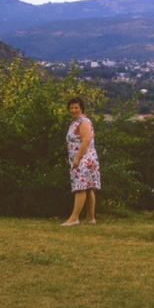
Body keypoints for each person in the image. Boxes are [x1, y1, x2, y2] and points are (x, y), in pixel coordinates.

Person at [61, 96, 101, 226]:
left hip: (85, 158)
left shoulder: (83, 122)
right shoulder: (75, 122)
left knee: (80, 187)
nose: (73, 110)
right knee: (88, 188)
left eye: (76, 108)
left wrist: (77, 159)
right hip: (80, 158)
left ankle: (74, 218)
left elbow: (86, 141)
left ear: (81, 108)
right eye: (71, 108)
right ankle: (90, 218)